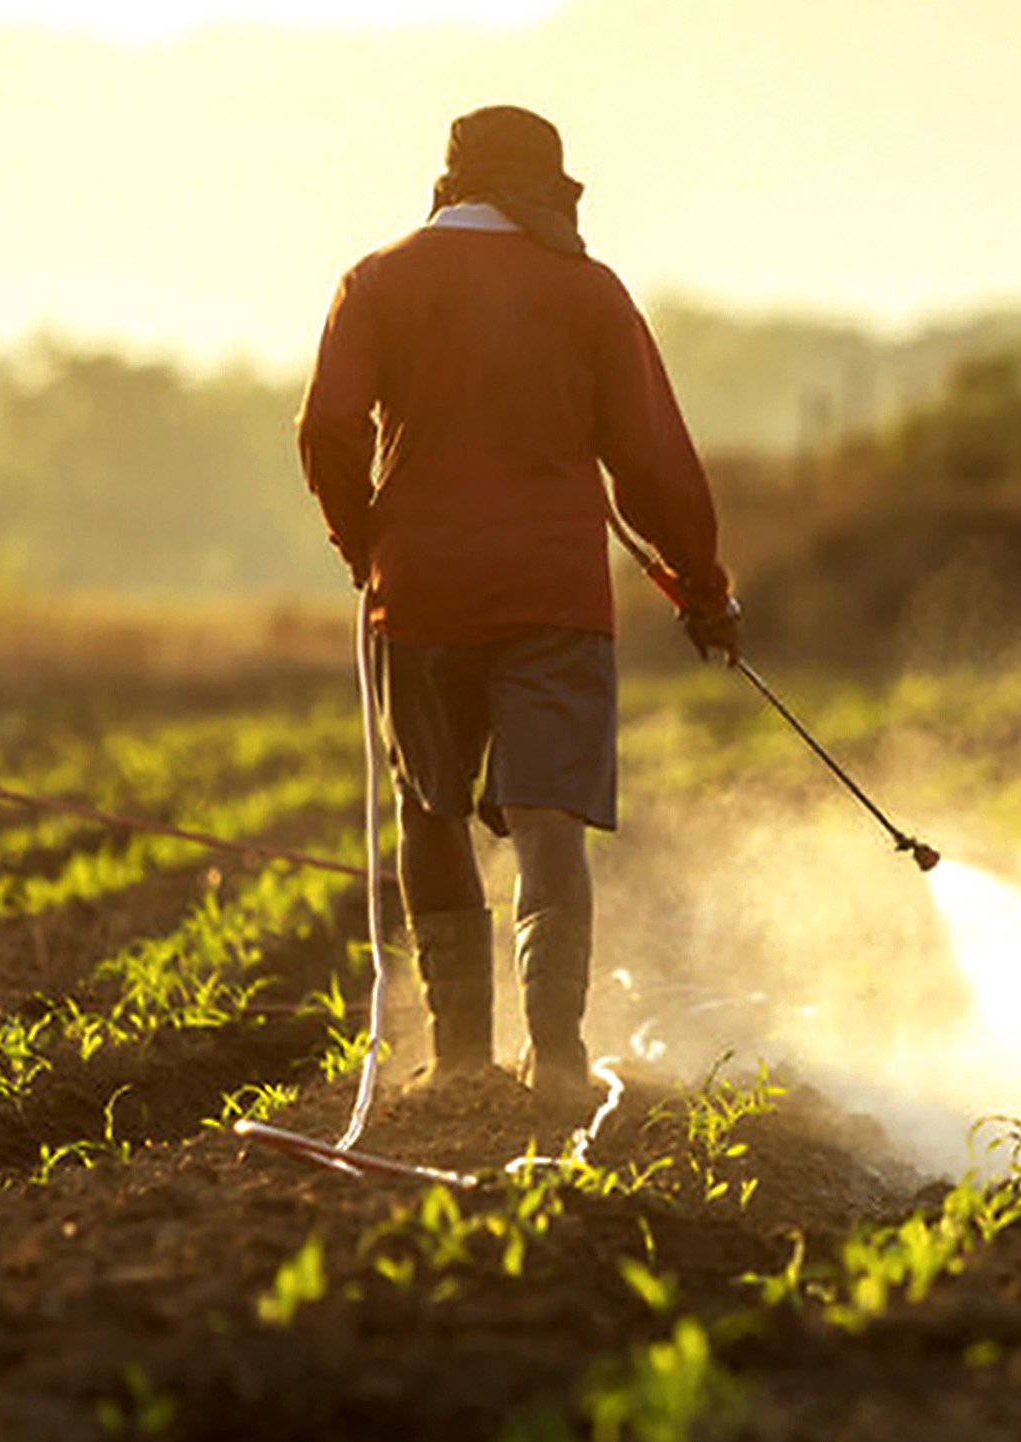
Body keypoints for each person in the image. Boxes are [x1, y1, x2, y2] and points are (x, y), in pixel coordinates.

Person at [296, 104, 739, 1111]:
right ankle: (559, 1059)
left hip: (419, 592)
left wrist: (365, 546)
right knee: (548, 827)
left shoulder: (376, 279)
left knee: (430, 809)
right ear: (547, 187)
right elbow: (652, 463)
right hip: (554, 594)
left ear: (451, 180)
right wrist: (704, 588)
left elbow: (327, 428)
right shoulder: (588, 291)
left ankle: (458, 1058)